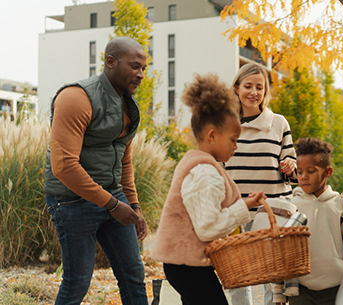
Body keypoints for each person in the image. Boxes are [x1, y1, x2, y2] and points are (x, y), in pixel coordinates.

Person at [43, 36, 149, 305]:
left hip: (113, 198)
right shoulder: (75, 97)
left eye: (144, 68)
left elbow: (124, 160)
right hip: (71, 200)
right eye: (135, 66)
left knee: (134, 275)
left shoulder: (128, 103)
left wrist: (133, 204)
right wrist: (114, 204)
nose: (141, 74)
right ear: (110, 62)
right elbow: (64, 166)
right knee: (78, 281)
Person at [150, 73, 266, 305]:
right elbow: (208, 227)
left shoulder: (200, 165)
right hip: (187, 264)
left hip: (185, 263)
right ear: (212, 135)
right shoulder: (205, 172)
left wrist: (244, 204)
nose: (236, 146)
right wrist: (242, 207)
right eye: (233, 139)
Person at [225, 63, 298, 305]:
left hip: (272, 212)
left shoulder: (278, 123)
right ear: (237, 88)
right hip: (237, 212)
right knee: (238, 277)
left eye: (260, 87)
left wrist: (289, 165)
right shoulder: (226, 124)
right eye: (248, 86)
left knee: (274, 281)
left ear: (266, 91)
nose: (253, 92)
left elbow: (293, 169)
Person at [286, 138, 343, 305]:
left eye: (311, 171)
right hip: (301, 290)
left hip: (336, 288)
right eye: (299, 172)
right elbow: (284, 250)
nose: (304, 177)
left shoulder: (340, 205)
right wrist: (278, 292)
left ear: (328, 172)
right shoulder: (293, 206)